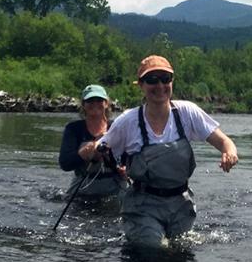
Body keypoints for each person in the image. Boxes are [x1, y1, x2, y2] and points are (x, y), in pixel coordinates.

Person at [89, 55, 239, 247]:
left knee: (178, 252)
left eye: (165, 79)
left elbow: (224, 141)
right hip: (142, 205)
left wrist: (229, 153)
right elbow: (102, 146)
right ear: (141, 85)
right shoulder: (128, 121)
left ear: (172, 82)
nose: (159, 85)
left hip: (181, 204)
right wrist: (94, 150)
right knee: (155, 247)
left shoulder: (187, 112)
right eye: (152, 80)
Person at [58, 84, 124, 199]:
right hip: (83, 187)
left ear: (106, 103)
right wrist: (86, 152)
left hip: (115, 187)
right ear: (83, 104)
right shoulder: (73, 129)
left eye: (99, 100)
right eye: (90, 101)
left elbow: (129, 155)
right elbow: (65, 164)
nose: (95, 104)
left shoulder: (117, 127)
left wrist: (125, 168)